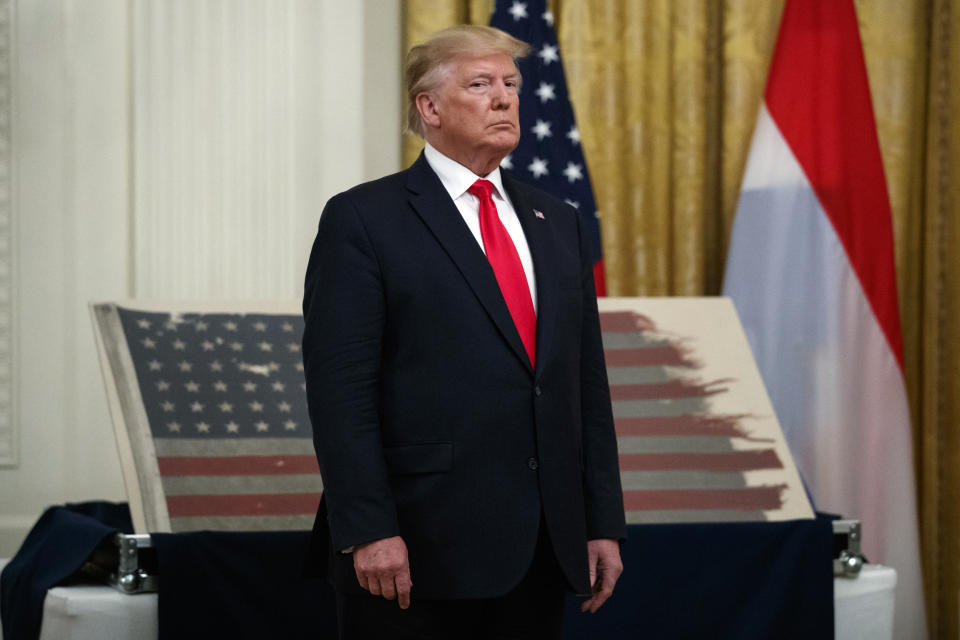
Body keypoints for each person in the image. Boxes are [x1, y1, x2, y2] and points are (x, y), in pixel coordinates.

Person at [302, 24, 625, 639]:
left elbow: (585, 386)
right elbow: (340, 392)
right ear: (429, 107)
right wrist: (368, 527)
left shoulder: (559, 222)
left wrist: (600, 519)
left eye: (511, 84)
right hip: (415, 550)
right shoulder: (364, 218)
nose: (504, 98)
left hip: (541, 547)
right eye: (481, 84)